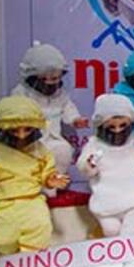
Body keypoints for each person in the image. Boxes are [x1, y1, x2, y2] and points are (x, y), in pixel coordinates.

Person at [0, 96, 69, 255]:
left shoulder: (39, 149)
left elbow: (46, 171)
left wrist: (50, 179)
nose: (21, 135)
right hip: (2, 203)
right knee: (3, 240)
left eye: (27, 129)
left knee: (39, 230)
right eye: (14, 130)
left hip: (32, 200)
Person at [77, 93, 134, 237]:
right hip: (106, 199)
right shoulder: (94, 143)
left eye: (123, 125)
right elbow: (84, 168)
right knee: (111, 231)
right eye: (111, 126)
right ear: (101, 125)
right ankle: (116, 255)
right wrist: (90, 165)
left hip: (133, 196)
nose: (118, 130)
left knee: (133, 227)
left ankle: (131, 255)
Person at [11, 42, 88, 177]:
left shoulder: (60, 95)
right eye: (47, 79)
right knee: (33, 159)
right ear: (33, 78)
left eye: (56, 78)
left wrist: (75, 120)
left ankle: (53, 186)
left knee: (63, 151)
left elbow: (68, 108)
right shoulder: (22, 93)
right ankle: (34, 187)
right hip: (31, 139)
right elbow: (12, 114)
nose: (52, 83)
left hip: (54, 137)